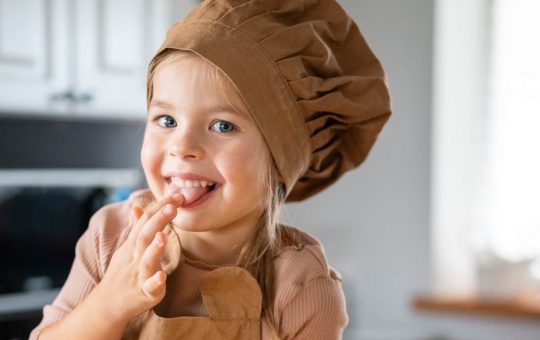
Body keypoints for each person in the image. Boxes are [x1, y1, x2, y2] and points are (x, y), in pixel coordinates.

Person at [30, 0, 391, 339]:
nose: (182, 147)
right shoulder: (111, 235)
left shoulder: (301, 285)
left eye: (222, 126)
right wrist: (111, 302)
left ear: (280, 159)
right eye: (166, 119)